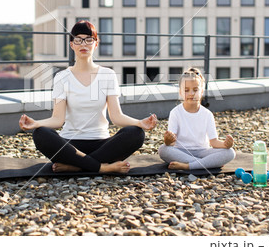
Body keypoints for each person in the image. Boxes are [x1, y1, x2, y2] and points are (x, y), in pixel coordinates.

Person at [19, 20, 157, 174]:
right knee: (41, 134)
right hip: (70, 143)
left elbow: (116, 117)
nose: (83, 44)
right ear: (72, 45)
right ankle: (102, 167)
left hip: (101, 143)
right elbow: (57, 120)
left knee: (136, 133)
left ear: (95, 44)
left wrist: (140, 123)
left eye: (89, 40)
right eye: (78, 40)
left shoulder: (108, 75)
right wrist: (36, 124)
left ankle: (76, 166)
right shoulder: (62, 77)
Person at [158, 67, 235, 170]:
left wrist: (225, 145)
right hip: (181, 151)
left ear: (202, 91)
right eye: (186, 90)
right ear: (180, 92)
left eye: (195, 90)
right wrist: (167, 141)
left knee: (230, 153)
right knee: (163, 149)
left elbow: (214, 142)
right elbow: (171, 143)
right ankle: (207, 163)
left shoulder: (207, 114)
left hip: (203, 152)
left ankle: (188, 165)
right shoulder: (175, 113)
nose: (191, 93)